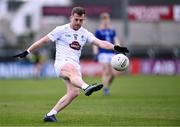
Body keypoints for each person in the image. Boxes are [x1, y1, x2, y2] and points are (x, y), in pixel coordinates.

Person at [13, 7, 129, 122]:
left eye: (81, 20)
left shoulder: (85, 33)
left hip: (74, 65)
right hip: (62, 63)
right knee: (72, 71)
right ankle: (87, 87)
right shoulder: (61, 29)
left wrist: (115, 47)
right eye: (76, 19)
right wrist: (27, 51)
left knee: (74, 92)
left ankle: (50, 114)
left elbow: (100, 43)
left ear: (84, 19)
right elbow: (43, 40)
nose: (78, 22)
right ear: (71, 17)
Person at [93, 12, 122, 96]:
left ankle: (106, 87)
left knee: (113, 73)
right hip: (102, 53)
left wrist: (119, 48)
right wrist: (95, 54)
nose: (106, 21)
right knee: (106, 71)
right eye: (104, 19)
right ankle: (105, 89)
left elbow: (116, 40)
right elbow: (95, 43)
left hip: (111, 53)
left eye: (107, 19)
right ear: (102, 20)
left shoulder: (112, 30)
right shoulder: (98, 31)